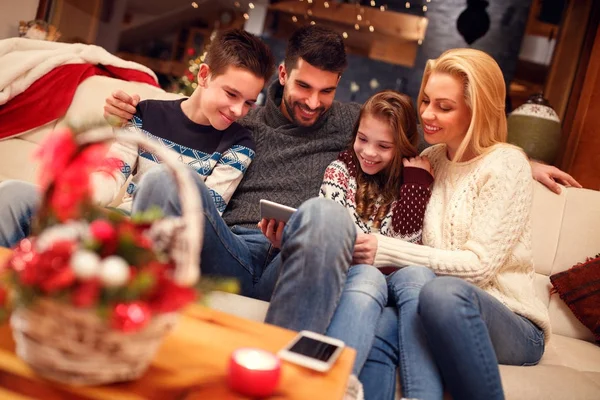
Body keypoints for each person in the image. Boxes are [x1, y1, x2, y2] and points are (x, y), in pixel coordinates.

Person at [356, 48, 551, 400]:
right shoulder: (429, 159)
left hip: (512, 321)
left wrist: (383, 248)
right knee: (381, 325)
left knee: (440, 292)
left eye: (444, 107)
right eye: (427, 100)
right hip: (433, 302)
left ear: (477, 110)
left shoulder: (506, 165)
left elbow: (477, 268)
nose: (427, 114)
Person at [0, 28, 274, 245]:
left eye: (249, 102)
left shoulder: (239, 145)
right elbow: (113, 174)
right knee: (12, 194)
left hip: (156, 242)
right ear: (204, 75)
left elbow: (205, 215)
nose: (239, 110)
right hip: (111, 222)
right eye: (231, 94)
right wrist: (74, 198)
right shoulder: (145, 113)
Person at [317, 90, 434, 375]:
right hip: (346, 278)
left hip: (393, 287)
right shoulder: (339, 172)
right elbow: (340, 242)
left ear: (403, 148)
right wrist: (379, 256)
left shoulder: (412, 184)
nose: (368, 152)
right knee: (368, 276)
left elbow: (405, 255)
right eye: (363, 139)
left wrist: (415, 189)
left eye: (384, 146)